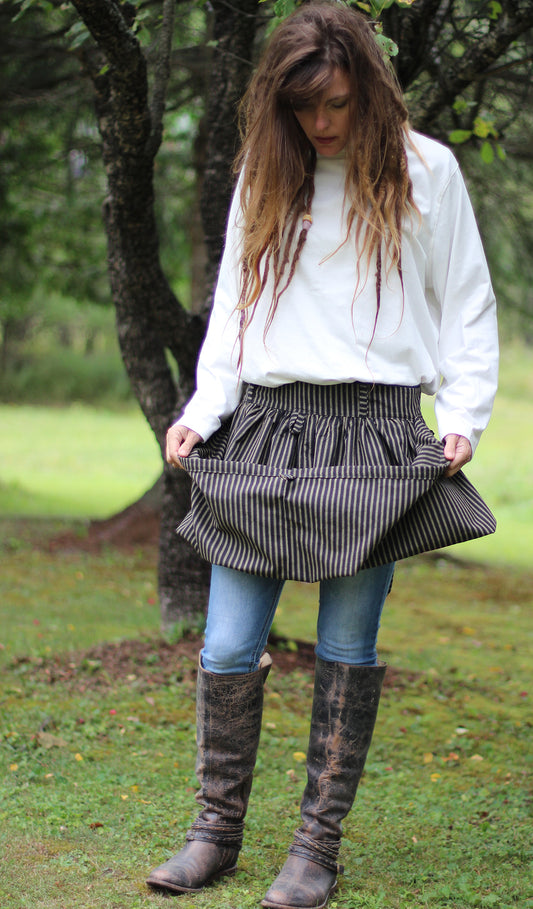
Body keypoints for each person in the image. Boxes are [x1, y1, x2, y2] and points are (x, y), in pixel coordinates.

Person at [146, 3, 498, 907]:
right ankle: (213, 833)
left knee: (347, 644)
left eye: (336, 102)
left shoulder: (428, 172)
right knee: (226, 643)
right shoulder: (269, 170)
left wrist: (461, 411)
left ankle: (314, 847)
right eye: (302, 107)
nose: (322, 123)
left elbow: (465, 303)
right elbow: (232, 308)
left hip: (376, 431)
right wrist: (203, 406)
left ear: (369, 87)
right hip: (264, 425)